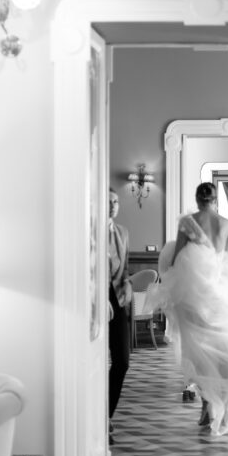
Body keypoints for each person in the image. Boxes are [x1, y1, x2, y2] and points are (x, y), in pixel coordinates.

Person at [152, 181, 228, 436]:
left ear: (197, 200)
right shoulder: (227, 224)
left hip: (194, 297)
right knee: (219, 351)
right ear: (215, 200)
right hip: (219, 296)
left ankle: (206, 405)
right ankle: (221, 406)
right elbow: (226, 260)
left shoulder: (187, 222)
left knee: (197, 351)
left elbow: (175, 260)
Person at [108, 187, 132, 441]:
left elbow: (125, 269)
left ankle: (106, 415)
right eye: (108, 201)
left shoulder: (123, 232)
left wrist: (127, 285)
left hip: (119, 301)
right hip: (96, 303)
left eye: (115, 201)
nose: (113, 205)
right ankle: (99, 420)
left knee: (122, 362)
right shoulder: (90, 231)